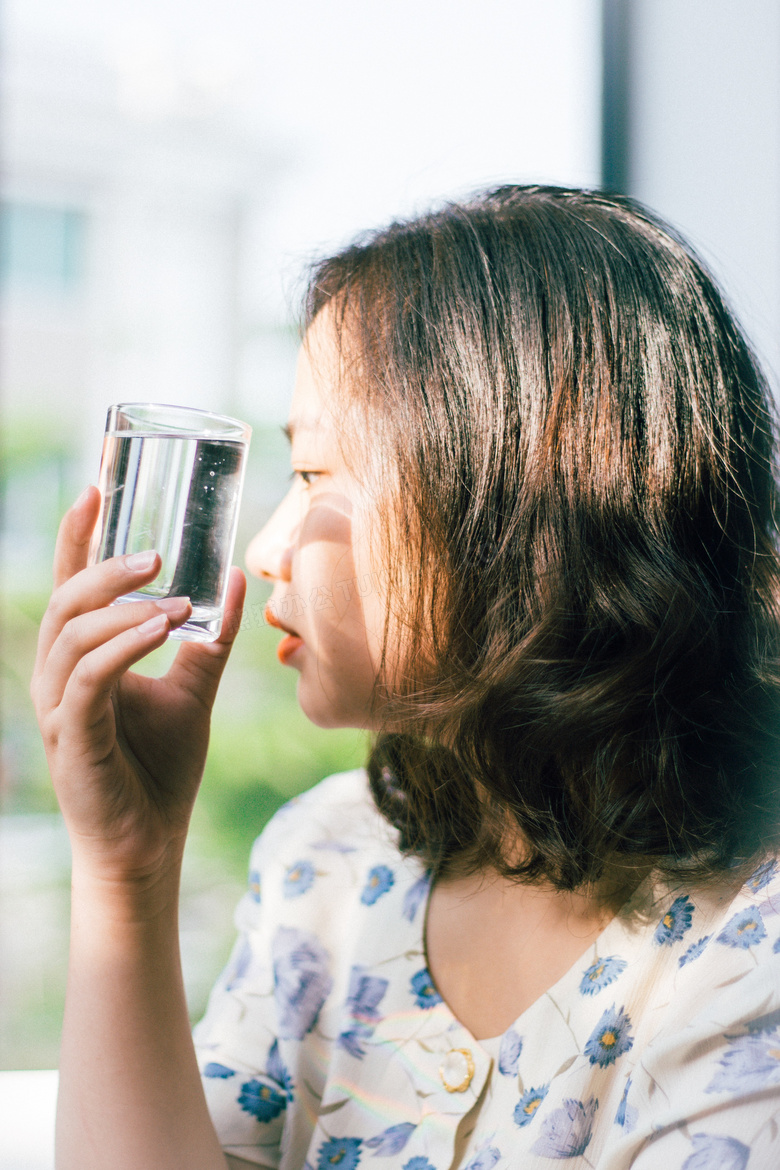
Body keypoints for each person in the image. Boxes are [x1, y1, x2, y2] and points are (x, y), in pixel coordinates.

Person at [32, 186, 780, 1170]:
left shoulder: (749, 947)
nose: (263, 554)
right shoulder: (329, 862)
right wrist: (128, 869)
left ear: (523, 495)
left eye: (313, 482)